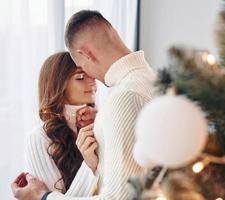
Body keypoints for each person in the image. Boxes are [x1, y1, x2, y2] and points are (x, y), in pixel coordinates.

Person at [12, 10, 156, 200]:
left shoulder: (125, 97)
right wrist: (94, 166)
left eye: (83, 68)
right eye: (80, 76)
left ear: (86, 54)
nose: (93, 80)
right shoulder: (155, 81)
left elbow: (120, 197)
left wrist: (44, 197)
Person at [22, 52, 99, 197]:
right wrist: (89, 167)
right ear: (58, 85)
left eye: (91, 74)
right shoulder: (39, 138)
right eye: (81, 77)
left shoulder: (99, 123)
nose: (92, 81)